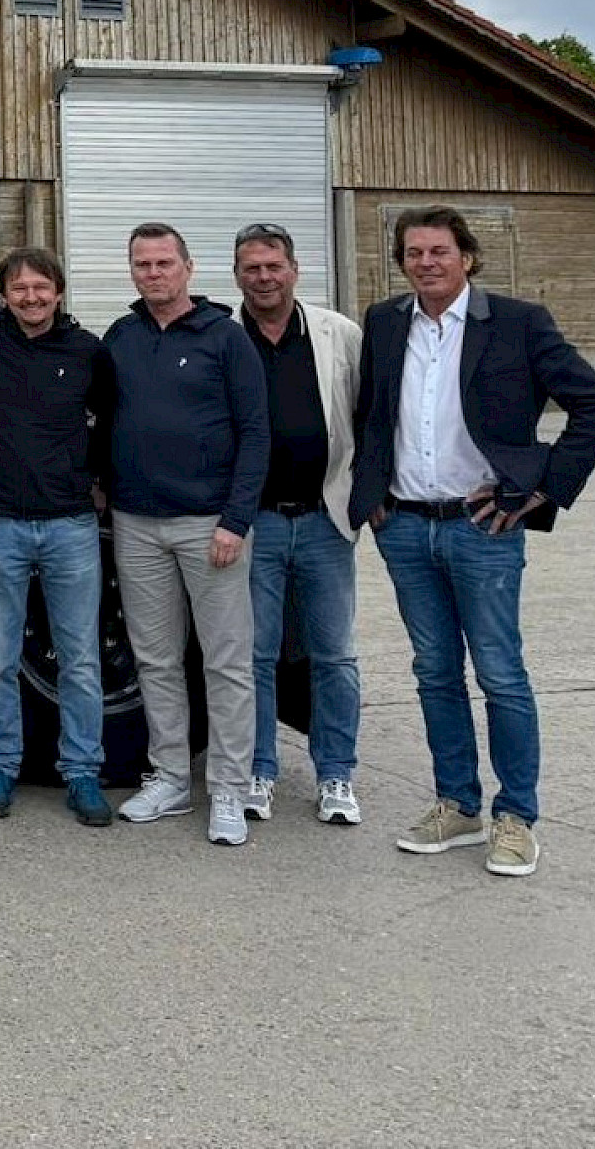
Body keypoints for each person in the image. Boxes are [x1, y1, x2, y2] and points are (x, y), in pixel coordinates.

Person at [351, 205, 595, 878]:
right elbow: (372, 415)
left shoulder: (519, 323)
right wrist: (373, 492)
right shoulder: (384, 323)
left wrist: (542, 487)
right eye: (413, 253)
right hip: (405, 527)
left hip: (483, 530)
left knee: (500, 673)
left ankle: (517, 817)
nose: (426, 263)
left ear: (467, 257)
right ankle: (458, 804)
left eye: (439, 251)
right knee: (435, 671)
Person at [102, 223, 269, 847]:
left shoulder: (226, 339)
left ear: (189, 268)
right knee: (155, 659)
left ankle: (228, 788)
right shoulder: (121, 338)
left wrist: (235, 520)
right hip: (137, 525)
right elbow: (103, 419)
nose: (153, 273)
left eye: (164, 263)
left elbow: (256, 433)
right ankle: (171, 777)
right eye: (142, 264)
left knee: (226, 663)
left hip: (210, 527)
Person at [0, 246, 118, 828]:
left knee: (79, 660)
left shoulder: (87, 352)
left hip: (69, 525)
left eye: (41, 288)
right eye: (19, 288)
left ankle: (82, 772)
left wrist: (97, 478)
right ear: (4, 295)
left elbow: (110, 420)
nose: (31, 298)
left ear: (59, 291)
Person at [230, 222, 365, 829]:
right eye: (252, 268)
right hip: (253, 525)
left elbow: (368, 417)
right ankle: (260, 769)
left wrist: (366, 496)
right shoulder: (225, 338)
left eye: (273, 266)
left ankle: (336, 774)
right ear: (237, 275)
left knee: (333, 655)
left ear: (293, 269)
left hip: (323, 522)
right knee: (254, 656)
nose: (264, 278)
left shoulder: (339, 334)